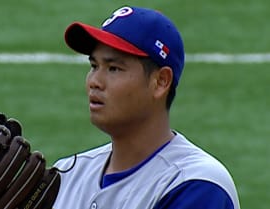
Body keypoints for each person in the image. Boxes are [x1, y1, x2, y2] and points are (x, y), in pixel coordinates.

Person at [53, 5, 240, 209]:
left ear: (161, 81)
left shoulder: (196, 184)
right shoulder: (66, 175)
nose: (94, 81)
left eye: (114, 68)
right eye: (94, 66)